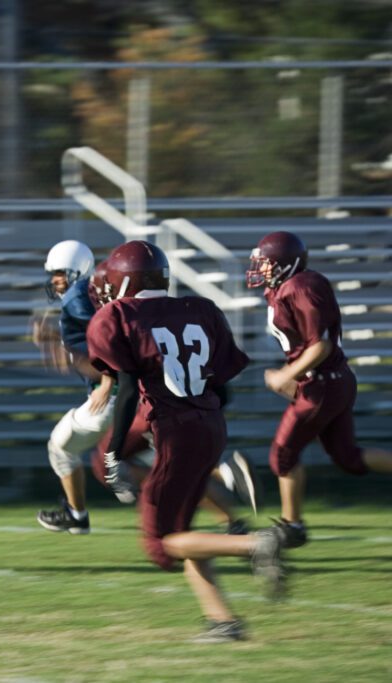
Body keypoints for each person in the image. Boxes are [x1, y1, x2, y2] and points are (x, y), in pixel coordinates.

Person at [87, 240, 287, 643]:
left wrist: (112, 454)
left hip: (173, 429)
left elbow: (127, 391)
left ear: (125, 280)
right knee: (183, 530)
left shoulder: (118, 315)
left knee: (162, 544)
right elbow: (222, 385)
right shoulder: (199, 309)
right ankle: (223, 622)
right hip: (211, 424)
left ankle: (254, 544)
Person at [247, 230, 392, 547]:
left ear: (286, 263)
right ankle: (293, 524)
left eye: (267, 263)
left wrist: (287, 374)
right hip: (332, 381)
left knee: (282, 456)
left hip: (321, 384)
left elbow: (320, 346)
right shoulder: (288, 286)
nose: (262, 269)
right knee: (348, 457)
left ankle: (292, 526)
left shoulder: (300, 287)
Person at [32, 240, 113, 534]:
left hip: (112, 396)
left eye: (60, 273)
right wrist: (55, 342)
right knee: (154, 458)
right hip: (132, 394)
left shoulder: (77, 296)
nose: (54, 280)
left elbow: (110, 336)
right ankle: (224, 482)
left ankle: (77, 516)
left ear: (77, 271)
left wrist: (108, 380)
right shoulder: (92, 292)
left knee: (60, 448)